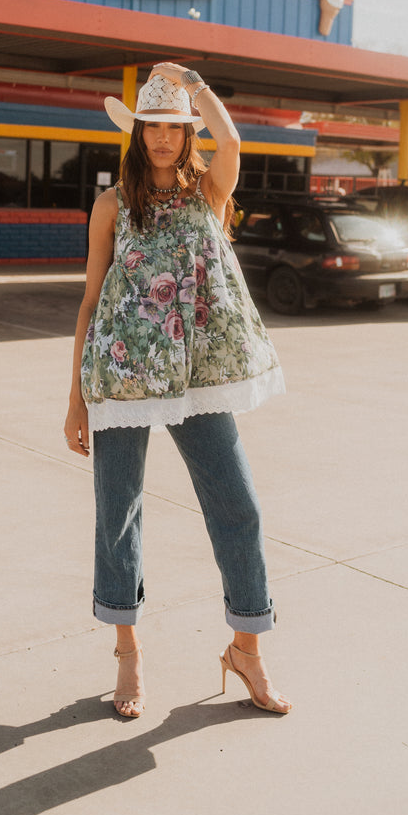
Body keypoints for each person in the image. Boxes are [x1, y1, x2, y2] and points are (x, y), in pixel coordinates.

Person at [64, 62, 291, 719]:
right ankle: (127, 652)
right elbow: (89, 301)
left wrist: (195, 84)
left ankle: (247, 647)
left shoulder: (208, 194)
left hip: (197, 384)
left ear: (187, 131)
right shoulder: (111, 205)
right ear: (135, 133)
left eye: (173, 126)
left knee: (238, 507)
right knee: (119, 515)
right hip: (119, 379)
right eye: (151, 126)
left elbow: (235, 142)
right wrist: (76, 398)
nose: (162, 137)